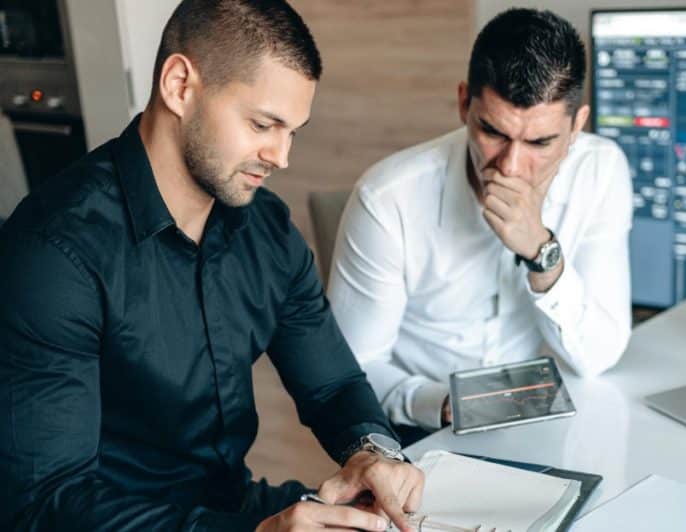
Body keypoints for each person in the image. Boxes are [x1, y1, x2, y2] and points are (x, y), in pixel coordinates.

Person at [0, 1, 423, 530]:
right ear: (179, 85)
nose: (282, 155)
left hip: (231, 509)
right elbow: (44, 504)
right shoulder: (54, 253)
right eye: (264, 124)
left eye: (293, 131)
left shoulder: (267, 231)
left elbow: (333, 385)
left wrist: (371, 452)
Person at [327, 8, 633, 437]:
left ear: (577, 126)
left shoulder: (602, 170)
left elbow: (598, 356)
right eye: (493, 132)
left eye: (540, 142)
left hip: (545, 417)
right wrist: (445, 405)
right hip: (423, 425)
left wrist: (543, 254)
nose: (510, 166)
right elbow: (348, 375)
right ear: (463, 104)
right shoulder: (387, 200)